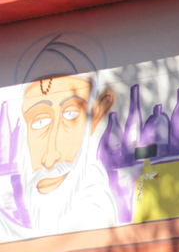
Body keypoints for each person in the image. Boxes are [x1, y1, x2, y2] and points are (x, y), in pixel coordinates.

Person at [0, 34, 119, 241]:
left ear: (96, 115)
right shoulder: (8, 226)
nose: (51, 156)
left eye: (70, 115)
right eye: (39, 123)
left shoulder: (98, 211)